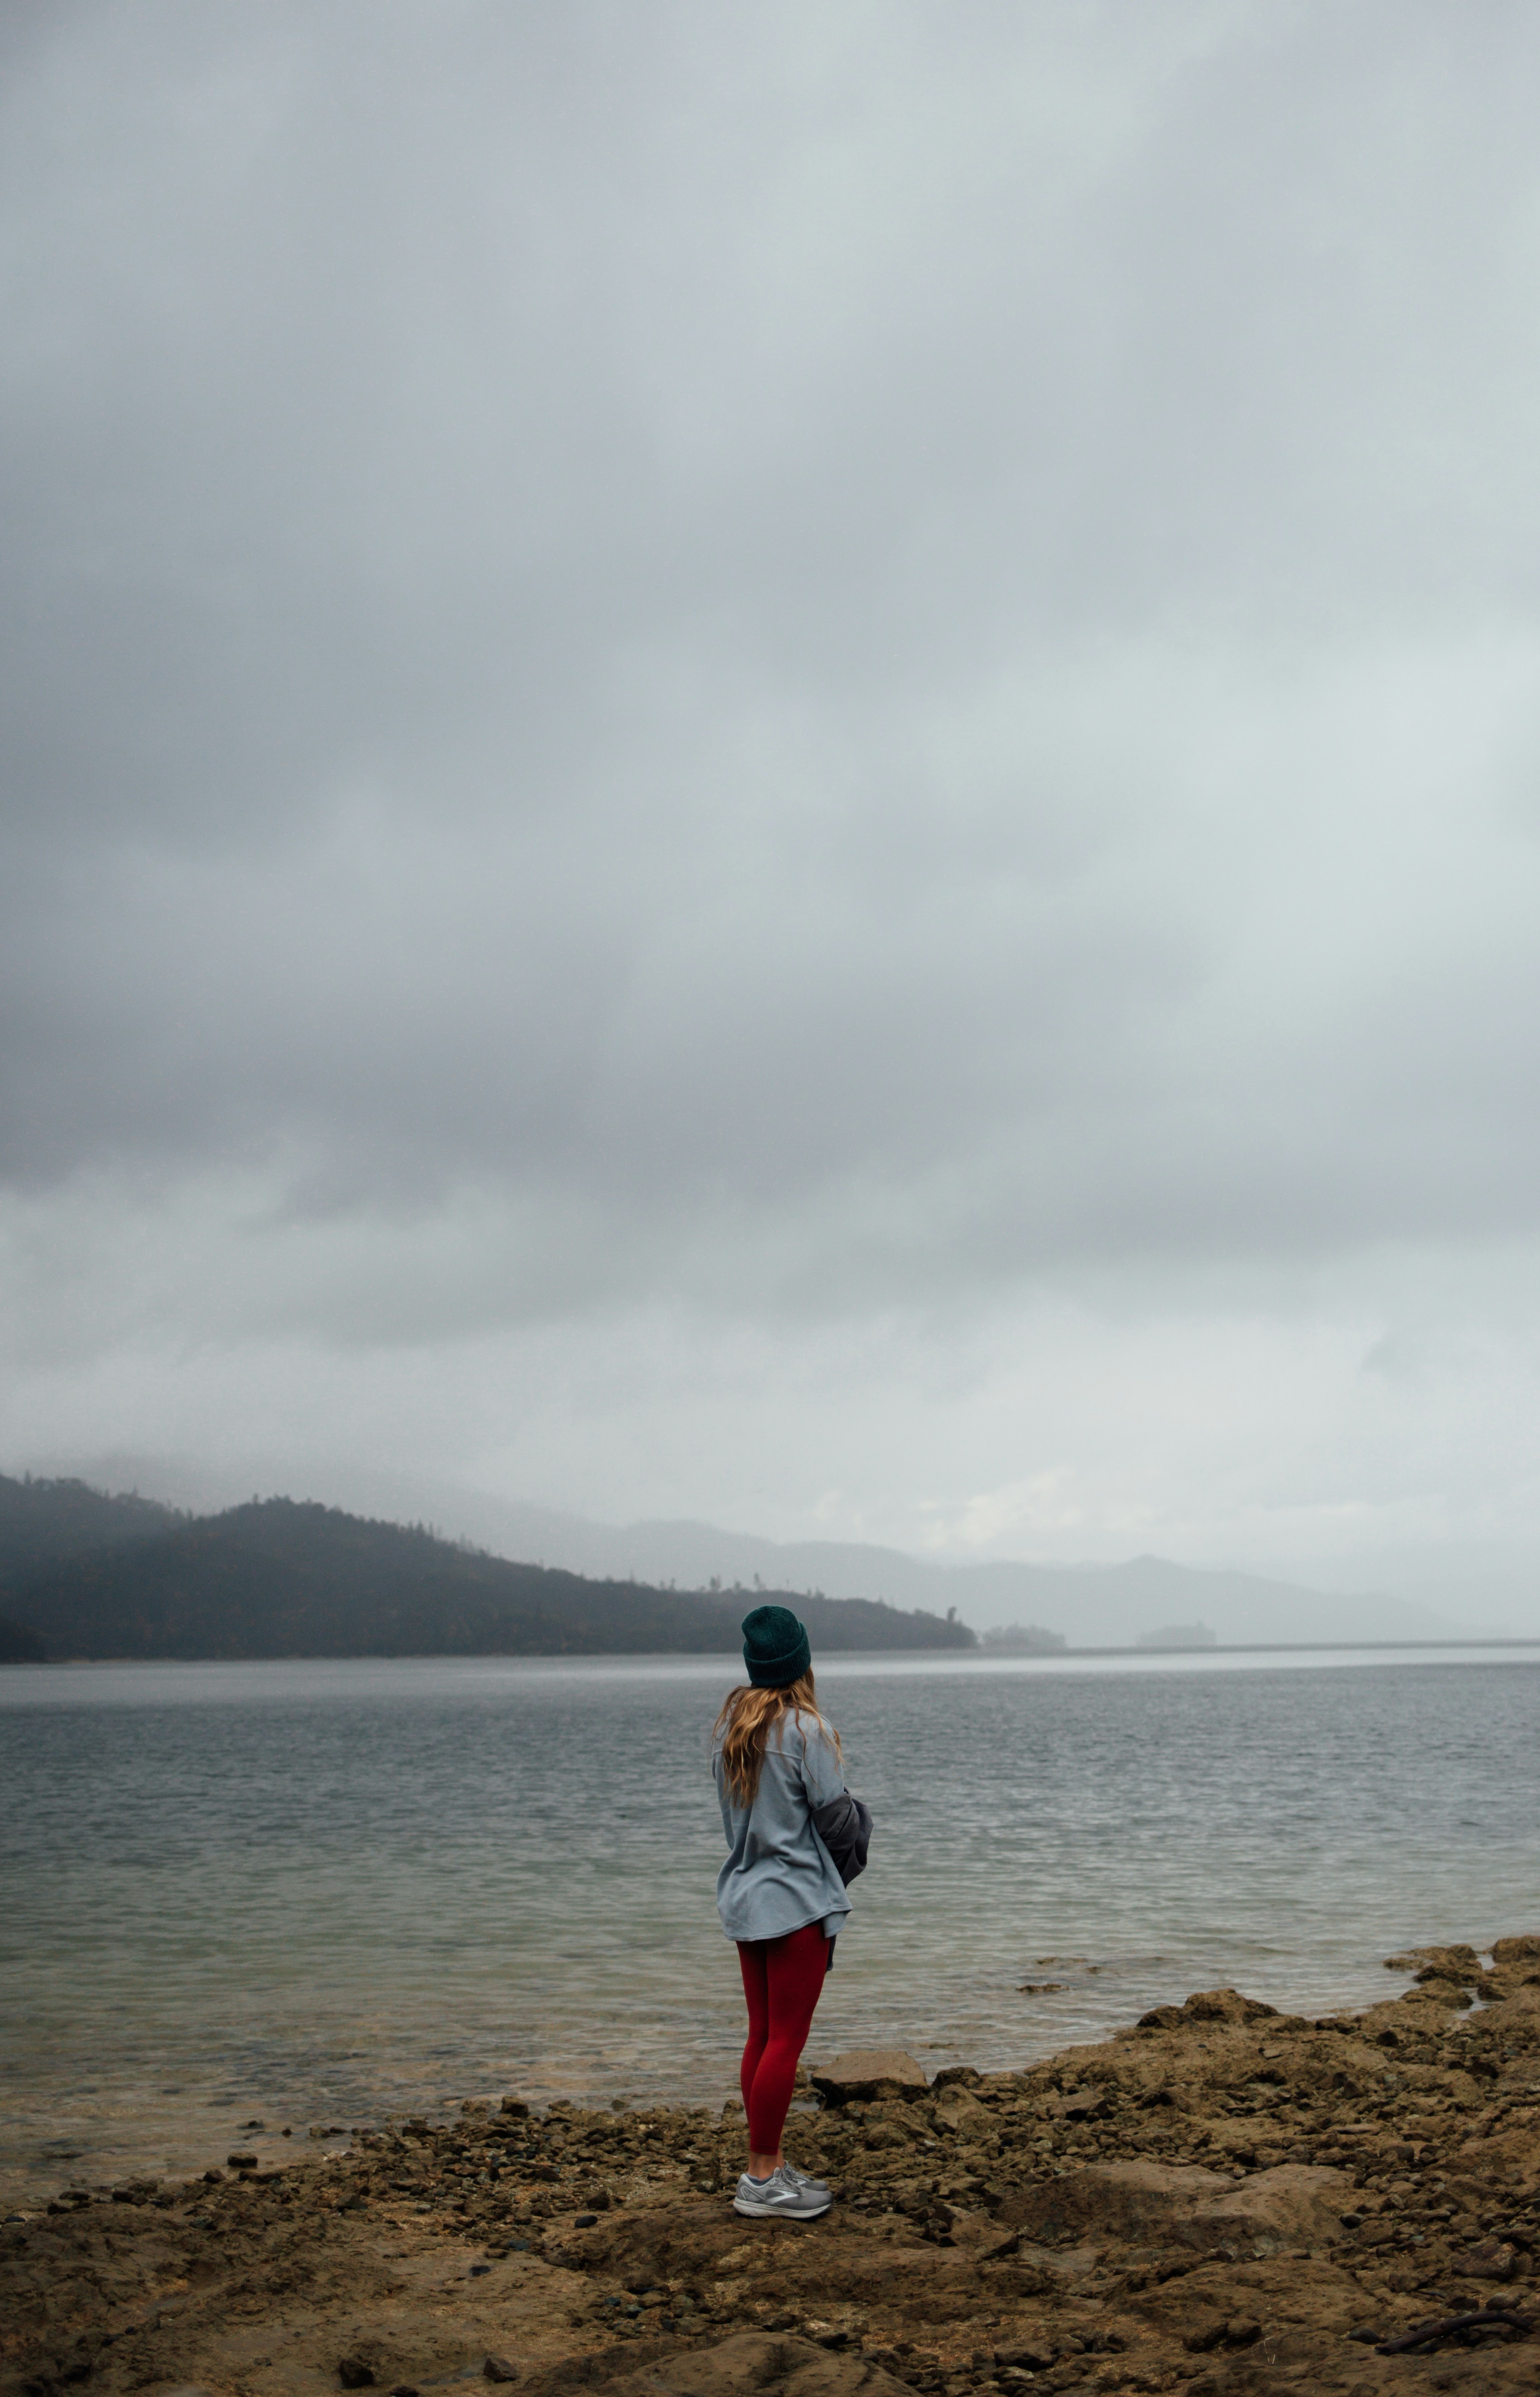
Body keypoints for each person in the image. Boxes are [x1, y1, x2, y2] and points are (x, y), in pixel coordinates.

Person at [712, 1603, 853, 2221]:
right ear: (800, 1663)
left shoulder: (732, 1735)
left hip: (746, 1898)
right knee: (787, 2041)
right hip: (796, 1904)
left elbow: (734, 1826)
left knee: (763, 2036)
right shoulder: (805, 1731)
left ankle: (766, 2165)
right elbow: (836, 1819)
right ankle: (762, 2178)